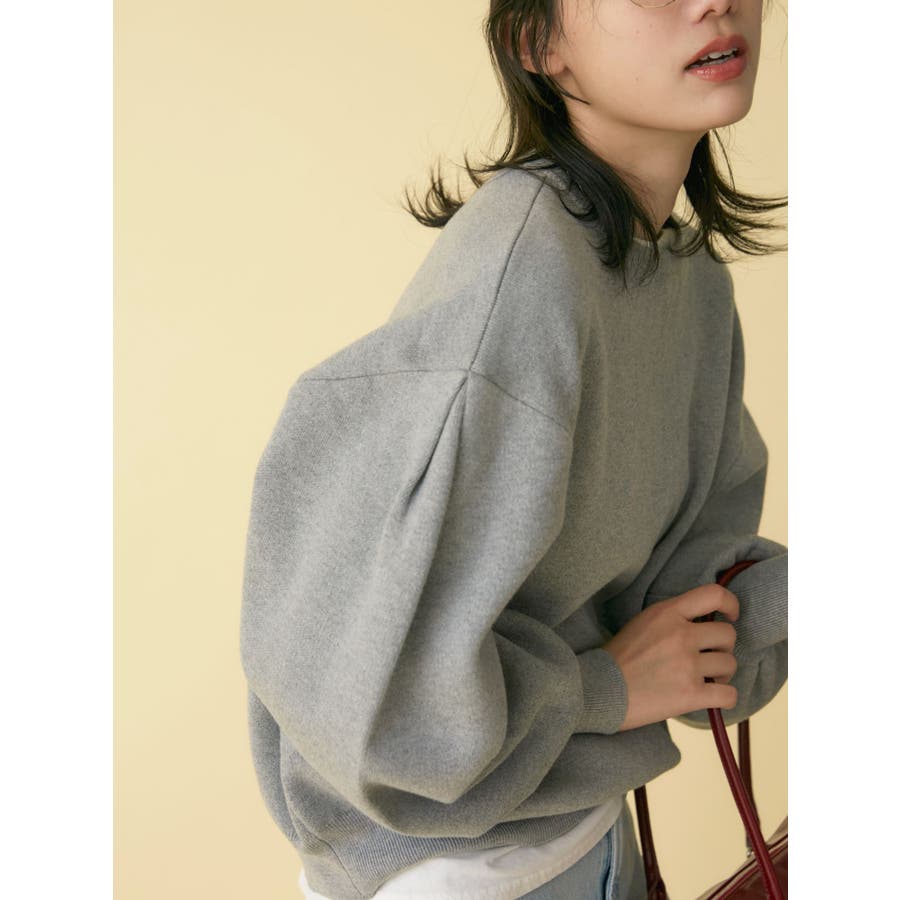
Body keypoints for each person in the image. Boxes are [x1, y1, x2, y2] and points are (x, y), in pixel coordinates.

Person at [239, 1, 788, 898]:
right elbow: (366, 700)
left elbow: (693, 600)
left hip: (581, 830)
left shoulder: (687, 282)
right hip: (456, 871)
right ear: (539, 46)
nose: (713, 1)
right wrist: (605, 688)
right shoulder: (524, 274)